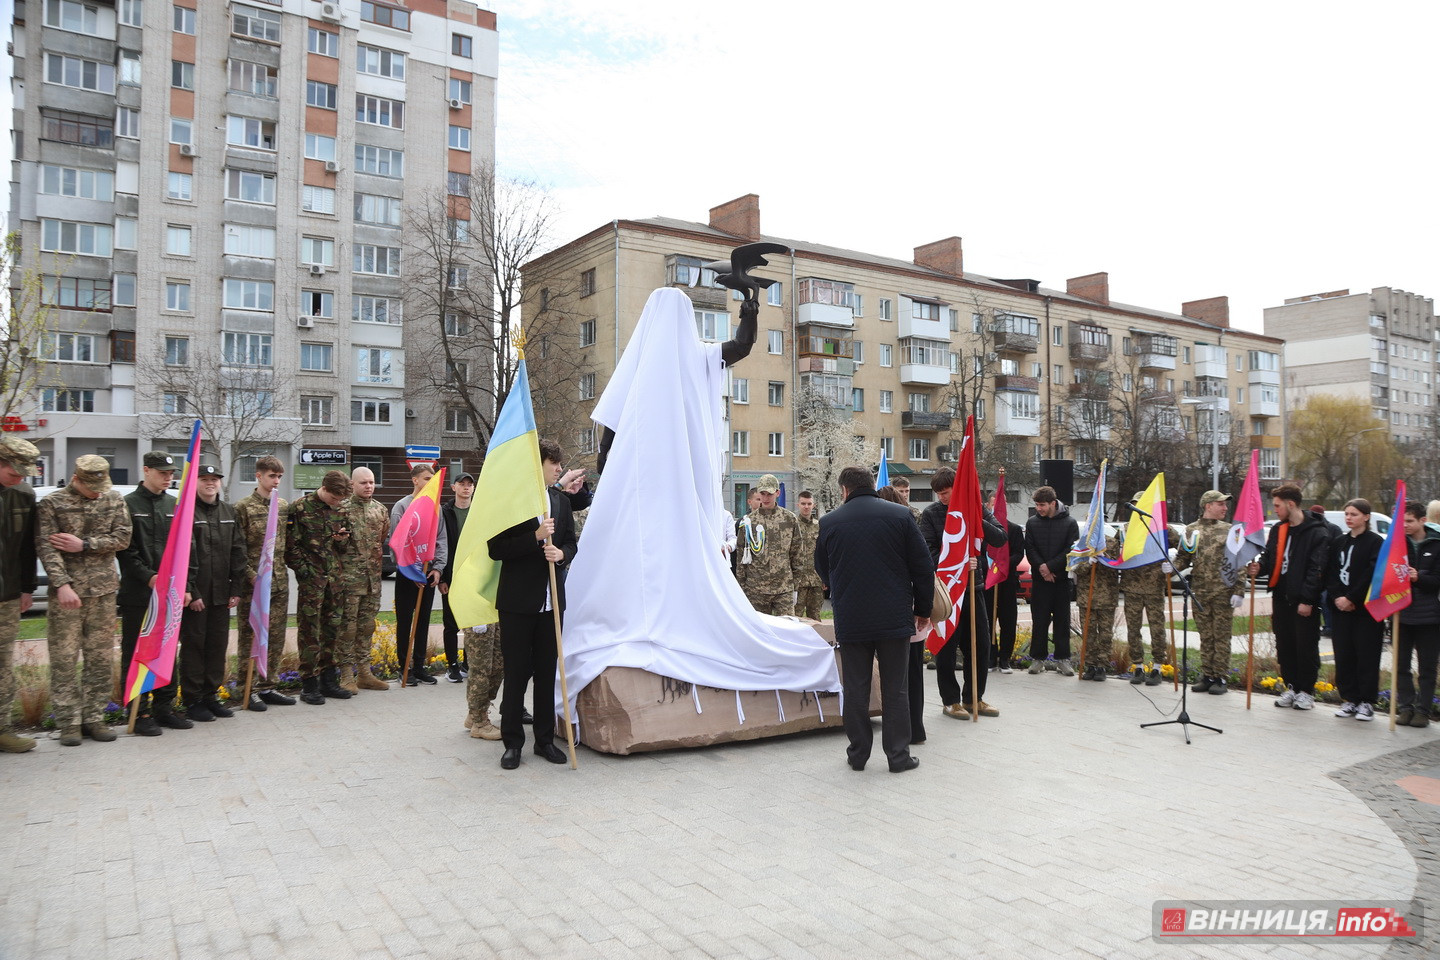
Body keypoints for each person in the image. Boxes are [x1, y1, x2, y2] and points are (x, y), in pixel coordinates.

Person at [815, 465, 931, 773]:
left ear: (844, 490)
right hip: (894, 615)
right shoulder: (901, 515)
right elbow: (922, 567)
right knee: (896, 688)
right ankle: (898, 756)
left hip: (852, 617)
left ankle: (858, 755)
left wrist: (840, 588)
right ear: (870, 484)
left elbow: (822, 567)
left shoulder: (830, 521)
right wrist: (923, 609)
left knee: (856, 688)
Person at [489, 439, 578, 769]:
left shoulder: (561, 501)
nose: (559, 469)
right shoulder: (512, 501)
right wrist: (536, 537)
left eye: (559, 463)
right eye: (554, 463)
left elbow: (571, 543)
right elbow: (496, 548)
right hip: (517, 603)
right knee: (516, 673)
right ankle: (512, 742)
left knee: (546, 672)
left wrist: (561, 554)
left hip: (552, 603)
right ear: (537, 465)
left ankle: (544, 740)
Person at [35, 455, 131, 746]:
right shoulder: (52, 503)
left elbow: (123, 537)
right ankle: (68, 723)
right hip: (68, 595)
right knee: (64, 660)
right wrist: (62, 584)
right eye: (92, 487)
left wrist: (85, 544)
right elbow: (46, 547)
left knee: (99, 659)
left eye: (101, 486)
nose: (98, 492)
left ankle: (94, 718)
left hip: (103, 592)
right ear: (76, 479)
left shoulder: (113, 499)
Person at [918, 469, 1005, 720]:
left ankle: (973, 697)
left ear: (957, 489)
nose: (942, 497)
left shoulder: (978, 509)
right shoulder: (931, 514)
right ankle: (950, 701)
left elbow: (1000, 537)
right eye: (939, 494)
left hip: (974, 589)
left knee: (979, 646)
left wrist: (975, 518)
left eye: (946, 492)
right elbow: (927, 553)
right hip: (946, 594)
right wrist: (958, 563)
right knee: (946, 648)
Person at [117, 451, 190, 733]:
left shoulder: (174, 504)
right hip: (140, 594)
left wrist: (186, 586)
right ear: (146, 470)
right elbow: (126, 550)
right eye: (162, 473)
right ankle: (139, 712)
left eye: (171, 474)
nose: (168, 478)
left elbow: (186, 549)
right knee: (137, 652)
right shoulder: (128, 504)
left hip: (169, 594)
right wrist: (148, 577)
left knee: (167, 651)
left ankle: (164, 707)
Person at [1250, 483, 1330, 710]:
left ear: (1291, 504)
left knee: (1305, 646)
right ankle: (1292, 686)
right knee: (1284, 645)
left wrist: (1307, 600)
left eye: (1277, 505)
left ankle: (1306, 691)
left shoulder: (1317, 532)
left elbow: (1316, 569)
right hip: (1281, 596)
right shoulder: (1279, 529)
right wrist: (1259, 568)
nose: (1274, 510)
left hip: (1303, 600)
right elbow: (1270, 556)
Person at [180, 465, 248, 722]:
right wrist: (192, 590)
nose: (210, 483)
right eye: (204, 479)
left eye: (214, 479)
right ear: (195, 482)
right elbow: (182, 555)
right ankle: (193, 700)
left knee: (217, 646)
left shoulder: (228, 512)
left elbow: (238, 550)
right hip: (196, 596)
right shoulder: (186, 511)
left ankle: (211, 695)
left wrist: (236, 587)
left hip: (221, 593)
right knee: (194, 647)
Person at [286, 470, 353, 705]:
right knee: (309, 632)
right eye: (334, 498)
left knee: (332, 630)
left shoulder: (341, 509)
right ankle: (309, 684)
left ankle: (328, 680)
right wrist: (305, 572)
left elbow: (344, 547)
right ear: (323, 488)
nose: (337, 502)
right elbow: (290, 546)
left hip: (335, 580)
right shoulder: (300, 508)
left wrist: (342, 540)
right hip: (312, 582)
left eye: (340, 499)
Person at [232, 456, 294, 710]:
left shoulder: (282, 506)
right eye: (271, 476)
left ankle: (268, 685)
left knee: (275, 636)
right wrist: (250, 575)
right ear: (258, 476)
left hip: (278, 582)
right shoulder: (243, 507)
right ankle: (247, 688)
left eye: (279, 476)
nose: (276, 481)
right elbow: (238, 547)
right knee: (251, 636)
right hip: (254, 584)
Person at [1175, 491, 1248, 694]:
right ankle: (1207, 675)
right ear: (1208, 506)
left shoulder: (1231, 530)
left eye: (1225, 504)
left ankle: (1221, 677)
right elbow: (1184, 557)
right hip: (1200, 591)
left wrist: (1239, 590)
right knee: (1206, 636)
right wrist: (1171, 567)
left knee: (1221, 636)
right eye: (1220, 504)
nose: (1225, 508)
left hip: (1224, 591)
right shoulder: (1191, 530)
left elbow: (1239, 561)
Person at [1325, 499, 1383, 721]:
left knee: (1366, 655)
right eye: (1347, 514)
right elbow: (1331, 571)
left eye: (1354, 514)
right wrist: (1337, 597)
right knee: (1344, 654)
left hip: (1364, 610)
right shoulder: (1339, 542)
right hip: (1340, 608)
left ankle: (1366, 701)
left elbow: (1372, 573)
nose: (1349, 518)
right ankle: (1349, 698)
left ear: (1366, 517)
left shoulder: (1375, 542)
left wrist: (1352, 597)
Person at [0, 437, 41, 753]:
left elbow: (28, 547)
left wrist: (27, 588)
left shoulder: (24, 495)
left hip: (8, 594)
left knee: (2, 665)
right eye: (14, 472)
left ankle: (2, 729)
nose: (19, 478)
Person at [391, 463, 447, 685]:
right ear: (415, 480)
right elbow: (398, 542)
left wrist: (437, 568)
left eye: (432, 479)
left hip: (427, 574)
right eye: (426, 479)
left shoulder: (436, 507)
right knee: (405, 622)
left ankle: (420, 666)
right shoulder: (402, 506)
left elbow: (441, 539)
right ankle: (404, 667)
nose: (430, 483)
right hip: (407, 574)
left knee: (422, 621)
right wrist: (411, 572)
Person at [339, 467, 390, 693]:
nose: (369, 486)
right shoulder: (341, 509)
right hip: (349, 581)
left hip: (373, 581)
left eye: (371, 482)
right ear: (352, 484)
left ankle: (365, 673)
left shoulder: (380, 509)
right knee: (347, 628)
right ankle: (346, 675)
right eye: (363, 483)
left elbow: (382, 538)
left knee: (367, 627)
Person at [1119, 490, 1174, 686]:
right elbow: (1116, 553)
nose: (1137, 508)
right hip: (1132, 587)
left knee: (1157, 629)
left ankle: (1158, 667)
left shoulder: (1160, 528)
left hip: (1154, 586)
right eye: (1135, 505)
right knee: (1133, 629)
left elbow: (1184, 549)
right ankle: (1138, 666)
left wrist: (1173, 564)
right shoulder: (1125, 530)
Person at [1025, 486, 1078, 676]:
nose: (1038, 508)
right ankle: (1037, 659)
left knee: (1062, 622)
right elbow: (1030, 549)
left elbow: (1070, 550)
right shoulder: (1032, 523)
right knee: (1039, 621)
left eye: (1042, 505)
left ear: (1053, 504)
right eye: (1037, 505)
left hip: (1061, 581)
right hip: (1040, 581)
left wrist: (1051, 567)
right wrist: (1042, 568)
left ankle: (1063, 660)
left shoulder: (1070, 523)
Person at [1398, 501, 1440, 728]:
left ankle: (1423, 710)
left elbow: (1436, 581)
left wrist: (1419, 578)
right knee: (1401, 665)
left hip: (1429, 616)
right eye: (1402, 521)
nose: (1404, 525)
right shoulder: (1397, 544)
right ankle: (1406, 707)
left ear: (1423, 520)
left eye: (1409, 521)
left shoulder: (1436, 544)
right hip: (1402, 614)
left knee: (1427, 667)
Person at [736, 474, 801, 615]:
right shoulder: (749, 522)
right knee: (759, 628)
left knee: (787, 626)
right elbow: (741, 558)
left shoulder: (789, 519)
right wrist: (741, 588)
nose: (765, 498)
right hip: (756, 589)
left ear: (778, 493)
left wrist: (795, 587)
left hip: (783, 588)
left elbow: (796, 554)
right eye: (763, 493)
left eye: (769, 494)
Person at [439, 473, 476, 682]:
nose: (466, 488)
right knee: (451, 622)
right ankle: (452, 665)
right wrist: (443, 578)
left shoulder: (478, 511)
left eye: (469, 485)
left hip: (474, 575)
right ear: (454, 487)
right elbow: (441, 545)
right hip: (451, 574)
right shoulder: (445, 512)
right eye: (462, 484)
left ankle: (468, 663)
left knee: (472, 621)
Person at [986, 494, 1024, 674]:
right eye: (994, 504)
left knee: (1008, 621)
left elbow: (1019, 553)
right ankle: (990, 656)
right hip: (988, 581)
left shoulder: (1014, 529)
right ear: (988, 505)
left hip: (1007, 581)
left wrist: (1002, 565)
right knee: (988, 620)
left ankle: (1005, 659)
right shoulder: (983, 529)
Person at [1079, 534, 1122, 681]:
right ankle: (1090, 665)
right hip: (1087, 597)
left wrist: (1105, 558)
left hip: (1107, 597)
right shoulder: (1082, 542)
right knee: (1088, 634)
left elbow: (1118, 566)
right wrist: (1088, 563)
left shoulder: (1113, 543)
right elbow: (1075, 567)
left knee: (1105, 634)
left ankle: (1102, 666)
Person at [1311, 505, 1343, 636]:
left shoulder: (1333, 529)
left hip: (1327, 572)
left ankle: (1330, 626)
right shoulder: (1311, 530)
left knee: (1325, 601)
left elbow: (1337, 552)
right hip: (1315, 572)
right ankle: (1323, 626)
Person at [793, 490, 824, 620]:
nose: (806, 507)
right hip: (798, 581)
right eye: (803, 503)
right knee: (795, 617)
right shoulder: (792, 525)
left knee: (815, 617)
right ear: (798, 505)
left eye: (809, 504)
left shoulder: (820, 526)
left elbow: (824, 552)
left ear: (814, 505)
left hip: (816, 579)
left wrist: (825, 577)